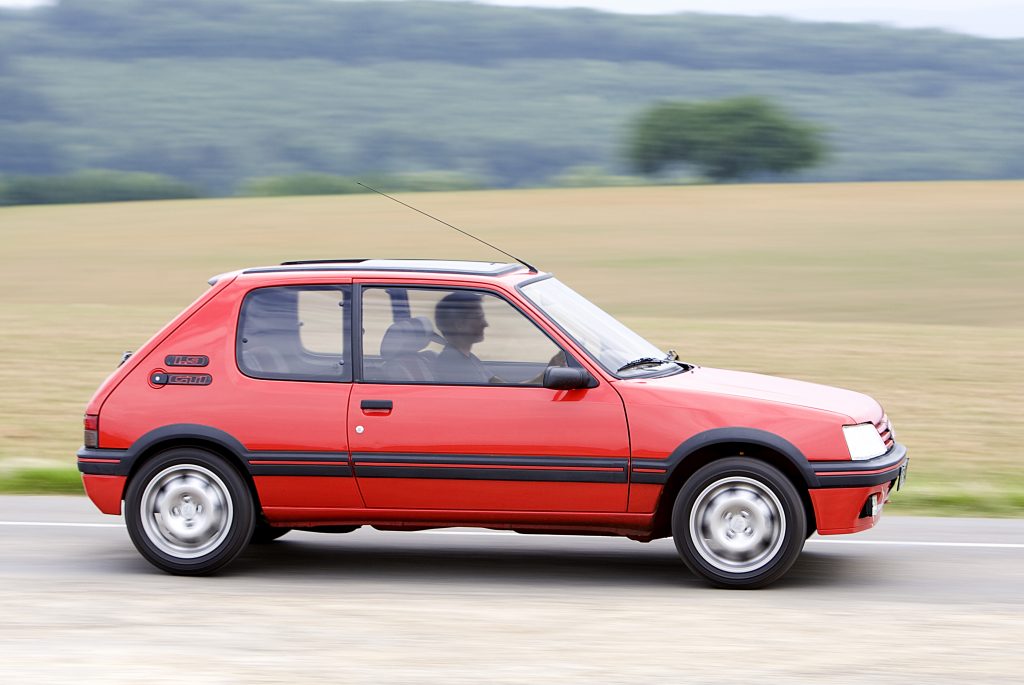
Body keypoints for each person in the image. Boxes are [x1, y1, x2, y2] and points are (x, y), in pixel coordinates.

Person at [433, 291, 493, 383]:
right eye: (479, 317)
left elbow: (495, 382)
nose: (485, 324)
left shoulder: (469, 358)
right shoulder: (454, 367)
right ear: (459, 325)